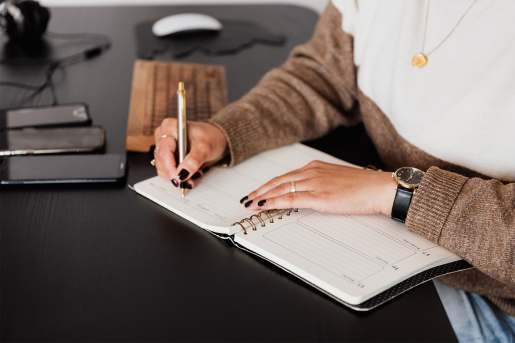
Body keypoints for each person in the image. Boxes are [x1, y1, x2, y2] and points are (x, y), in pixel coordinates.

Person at [153, 1, 515, 341]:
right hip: (398, 246)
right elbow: (324, 73)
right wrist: (225, 131)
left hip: (494, 299)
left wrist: (398, 192)